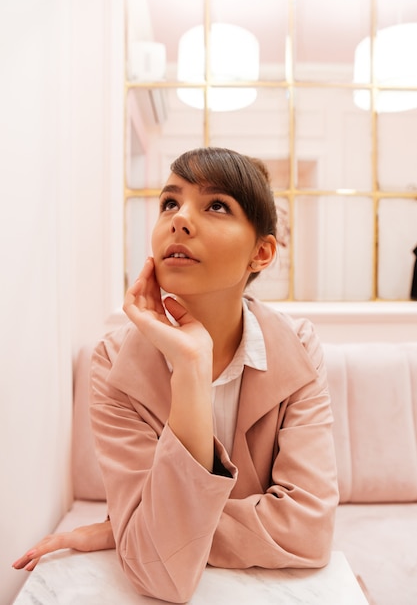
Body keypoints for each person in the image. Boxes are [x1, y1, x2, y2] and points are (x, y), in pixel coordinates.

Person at [13, 147, 339, 603]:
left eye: (217, 205)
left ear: (260, 253)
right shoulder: (112, 363)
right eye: (170, 202)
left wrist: (133, 535)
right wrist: (189, 365)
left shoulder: (298, 348)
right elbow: (163, 579)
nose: (180, 219)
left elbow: (309, 533)